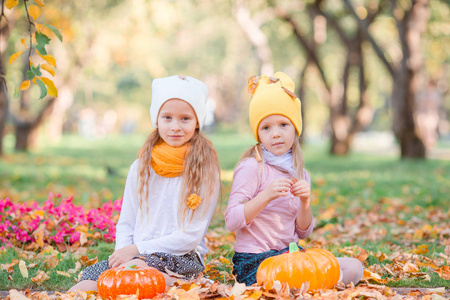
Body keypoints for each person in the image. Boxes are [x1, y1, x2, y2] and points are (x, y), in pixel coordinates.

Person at [69, 74, 221, 292]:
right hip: (136, 254)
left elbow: (190, 237)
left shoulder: (204, 171)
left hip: (181, 257)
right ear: (156, 120)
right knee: (84, 284)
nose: (175, 126)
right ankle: (167, 285)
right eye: (167, 118)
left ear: (197, 122)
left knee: (139, 272)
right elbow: (126, 222)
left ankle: (187, 284)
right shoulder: (140, 167)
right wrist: (123, 252)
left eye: (185, 119)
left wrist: (135, 251)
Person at [225, 72, 363, 287]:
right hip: (255, 260)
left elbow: (303, 232)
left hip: (290, 256)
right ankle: (305, 288)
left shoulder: (300, 173)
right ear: (258, 134)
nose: (276, 134)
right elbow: (231, 220)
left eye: (283, 124)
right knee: (290, 283)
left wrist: (305, 202)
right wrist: (266, 195)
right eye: (266, 127)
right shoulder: (253, 167)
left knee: (353, 268)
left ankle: (304, 287)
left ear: (295, 128)